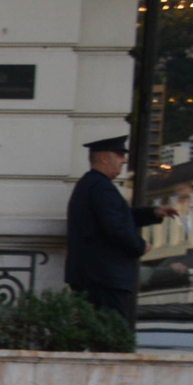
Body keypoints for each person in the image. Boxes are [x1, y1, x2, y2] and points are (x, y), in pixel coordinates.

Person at [65, 135, 175, 329]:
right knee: (111, 332)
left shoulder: (92, 185)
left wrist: (153, 213)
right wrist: (140, 245)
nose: (124, 160)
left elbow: (117, 218)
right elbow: (115, 227)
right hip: (104, 277)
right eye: (119, 155)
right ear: (103, 158)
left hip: (95, 275)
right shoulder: (101, 188)